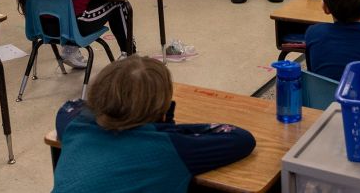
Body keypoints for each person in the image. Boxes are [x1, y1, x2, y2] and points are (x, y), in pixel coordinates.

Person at [52, 56, 256, 192]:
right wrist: (169, 129)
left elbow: (70, 106)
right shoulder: (170, 146)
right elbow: (240, 138)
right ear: (160, 108)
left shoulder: (76, 125)